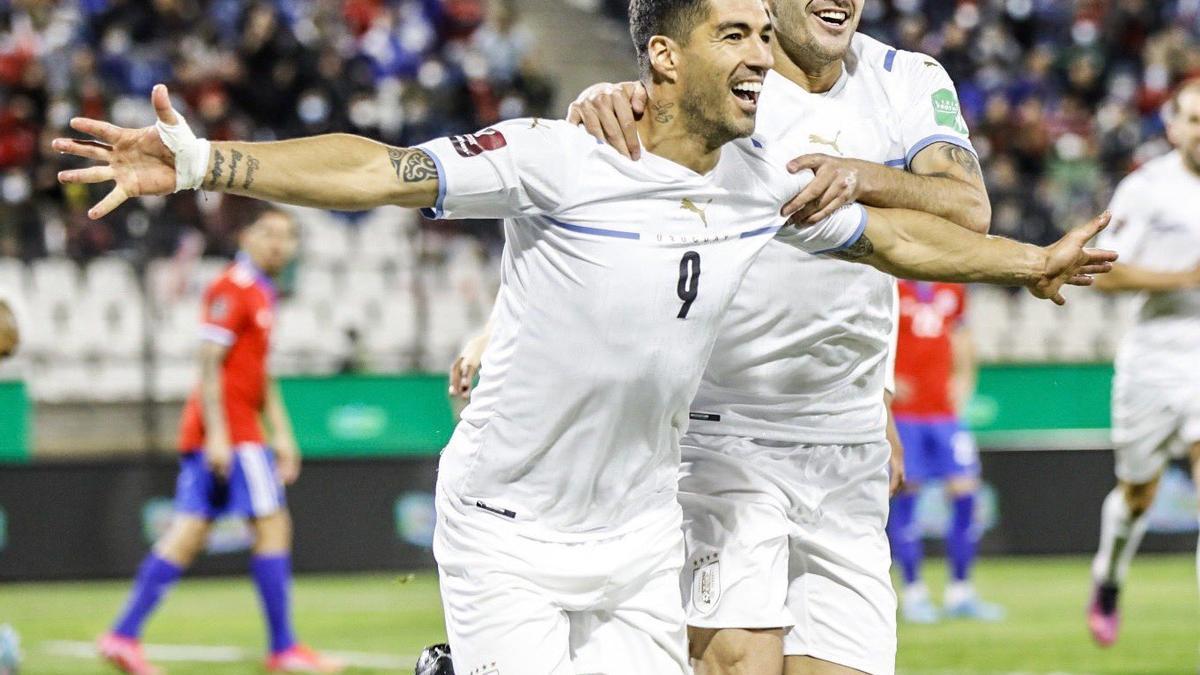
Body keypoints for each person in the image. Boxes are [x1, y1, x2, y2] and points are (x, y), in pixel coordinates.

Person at [54, 0, 1115, 668]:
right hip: (511, 524)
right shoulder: (557, 154)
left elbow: (899, 245)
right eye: (736, 37)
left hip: (641, 528)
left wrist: (1033, 263)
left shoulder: (760, 179)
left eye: (762, 36)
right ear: (665, 53)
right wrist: (204, 162)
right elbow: (381, 167)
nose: (761, 61)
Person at [549, 0, 996, 670]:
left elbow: (968, 208)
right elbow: (608, 198)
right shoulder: (726, 81)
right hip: (726, 429)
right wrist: (603, 97)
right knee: (741, 658)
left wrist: (860, 177)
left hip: (846, 443)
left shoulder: (908, 77)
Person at [96, 208, 343, 675]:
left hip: (231, 430)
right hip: (231, 433)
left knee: (189, 533)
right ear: (245, 235)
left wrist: (283, 433)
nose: (278, 244)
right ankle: (284, 649)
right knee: (272, 526)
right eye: (268, 233)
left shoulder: (263, 291)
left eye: (287, 237)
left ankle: (122, 635)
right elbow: (208, 364)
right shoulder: (233, 287)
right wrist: (222, 437)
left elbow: (258, 374)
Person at [1086, 79, 1200, 648]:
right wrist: (1185, 277)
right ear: (1173, 127)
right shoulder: (1147, 188)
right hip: (1156, 350)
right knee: (1138, 496)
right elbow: (1103, 271)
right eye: (1195, 120)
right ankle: (1109, 576)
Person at [887, 281, 1004, 624]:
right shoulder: (892, 282)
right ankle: (913, 593)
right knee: (907, 493)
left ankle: (960, 591)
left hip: (944, 414)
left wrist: (966, 377)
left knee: (966, 491)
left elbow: (962, 334)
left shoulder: (951, 285)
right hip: (905, 414)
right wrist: (887, 379)